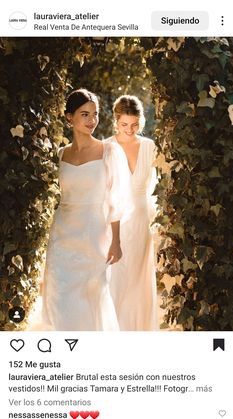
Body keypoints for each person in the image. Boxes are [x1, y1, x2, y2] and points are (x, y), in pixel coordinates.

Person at [42, 88, 132, 331]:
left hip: (94, 235)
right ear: (69, 117)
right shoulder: (60, 155)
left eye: (95, 114)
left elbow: (117, 198)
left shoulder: (109, 152)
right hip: (62, 236)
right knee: (61, 300)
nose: (92, 120)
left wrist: (116, 241)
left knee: (92, 299)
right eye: (85, 114)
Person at [104, 95, 158, 331]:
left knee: (138, 282)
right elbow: (103, 190)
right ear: (116, 121)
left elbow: (155, 187)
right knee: (116, 280)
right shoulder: (106, 147)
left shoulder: (149, 147)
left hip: (142, 222)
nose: (129, 129)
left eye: (134, 124)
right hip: (114, 222)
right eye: (124, 124)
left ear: (141, 121)